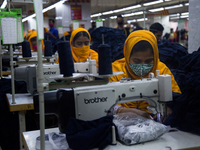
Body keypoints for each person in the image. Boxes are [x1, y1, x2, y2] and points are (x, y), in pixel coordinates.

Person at [109, 30, 181, 120]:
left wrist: (169, 107)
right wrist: (123, 111)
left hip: (153, 119)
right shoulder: (114, 70)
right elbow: (105, 103)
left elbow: (175, 96)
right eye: (136, 61)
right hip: (122, 119)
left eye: (148, 61)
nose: (142, 66)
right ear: (127, 56)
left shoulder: (162, 70)